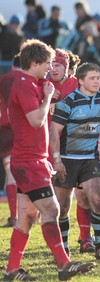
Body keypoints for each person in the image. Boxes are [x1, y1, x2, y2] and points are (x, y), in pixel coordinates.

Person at [5, 39, 94, 281]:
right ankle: (64, 265)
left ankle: (12, 269)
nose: (50, 68)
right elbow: (36, 120)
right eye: (46, 63)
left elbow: (48, 85)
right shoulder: (23, 85)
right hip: (29, 162)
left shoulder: (32, 82)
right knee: (52, 209)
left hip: (31, 160)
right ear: (34, 62)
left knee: (27, 215)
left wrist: (47, 88)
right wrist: (47, 98)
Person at [50, 62, 100, 261]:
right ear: (80, 81)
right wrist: (57, 160)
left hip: (89, 159)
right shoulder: (68, 103)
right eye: (92, 78)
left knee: (97, 201)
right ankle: (63, 248)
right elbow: (54, 132)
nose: (97, 82)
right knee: (62, 208)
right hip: (68, 159)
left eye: (98, 78)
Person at [48, 49, 95, 254]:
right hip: (50, 147)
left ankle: (86, 238)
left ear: (66, 67)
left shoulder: (76, 83)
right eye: (51, 64)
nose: (53, 68)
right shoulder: (42, 84)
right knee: (56, 202)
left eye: (57, 64)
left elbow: (89, 109)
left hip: (77, 147)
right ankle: (60, 244)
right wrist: (46, 98)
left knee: (83, 195)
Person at [0, 54, 21, 228]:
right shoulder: (33, 80)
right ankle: (33, 213)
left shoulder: (4, 80)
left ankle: (14, 216)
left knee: (11, 173)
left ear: (13, 66)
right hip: (27, 131)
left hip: (6, 131)